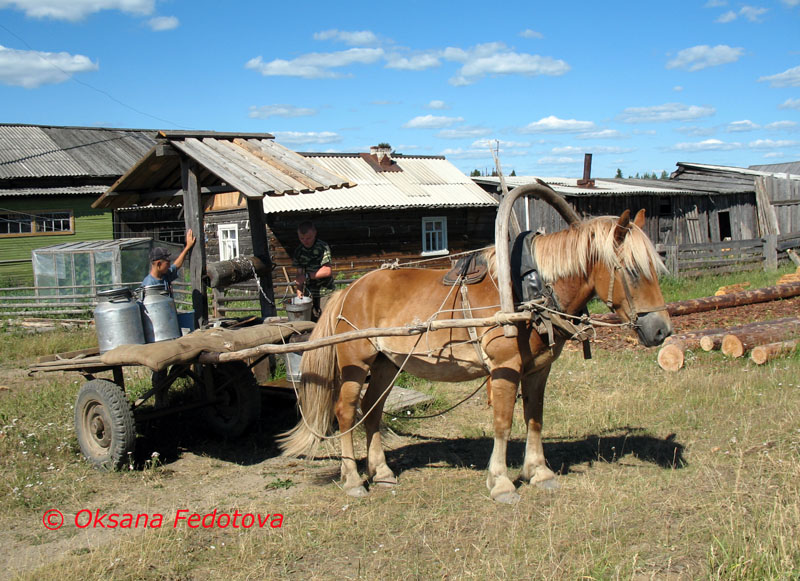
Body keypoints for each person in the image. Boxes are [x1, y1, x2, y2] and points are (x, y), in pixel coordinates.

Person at [293, 221, 334, 321]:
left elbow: (327, 270)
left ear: (314, 233)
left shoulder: (322, 247)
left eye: (308, 238)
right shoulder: (299, 251)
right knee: (310, 323)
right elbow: (299, 273)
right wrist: (299, 290)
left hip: (325, 293)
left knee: (326, 321)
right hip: (309, 294)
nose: (305, 241)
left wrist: (307, 276)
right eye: (302, 238)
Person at [142, 229, 196, 296]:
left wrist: (187, 247)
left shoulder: (165, 275)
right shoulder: (149, 285)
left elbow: (176, 265)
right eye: (167, 264)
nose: (169, 266)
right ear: (159, 264)